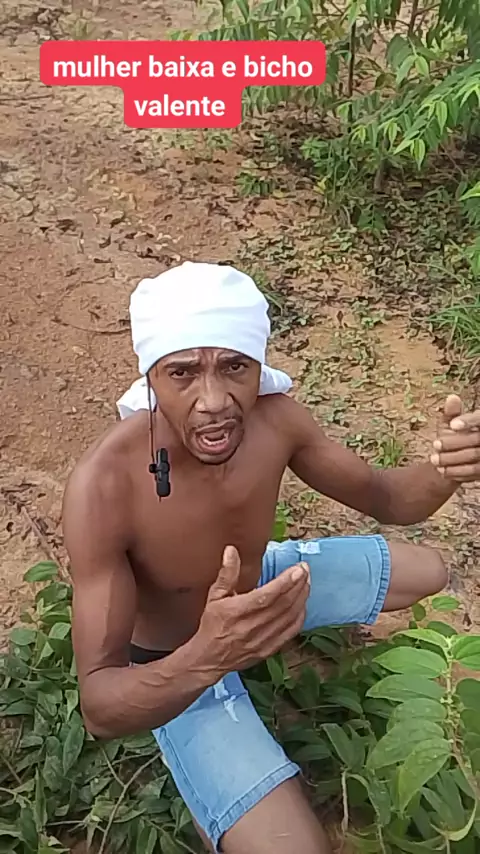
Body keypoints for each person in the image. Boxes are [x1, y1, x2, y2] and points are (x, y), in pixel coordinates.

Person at [63, 262, 480, 854]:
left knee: (428, 571)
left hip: (257, 585)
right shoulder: (104, 485)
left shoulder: (276, 420)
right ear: (151, 377)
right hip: (176, 658)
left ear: (258, 364)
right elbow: (101, 704)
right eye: (183, 372)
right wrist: (208, 657)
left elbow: (387, 497)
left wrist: (447, 467)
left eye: (235, 367)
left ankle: (263, 594)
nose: (214, 401)